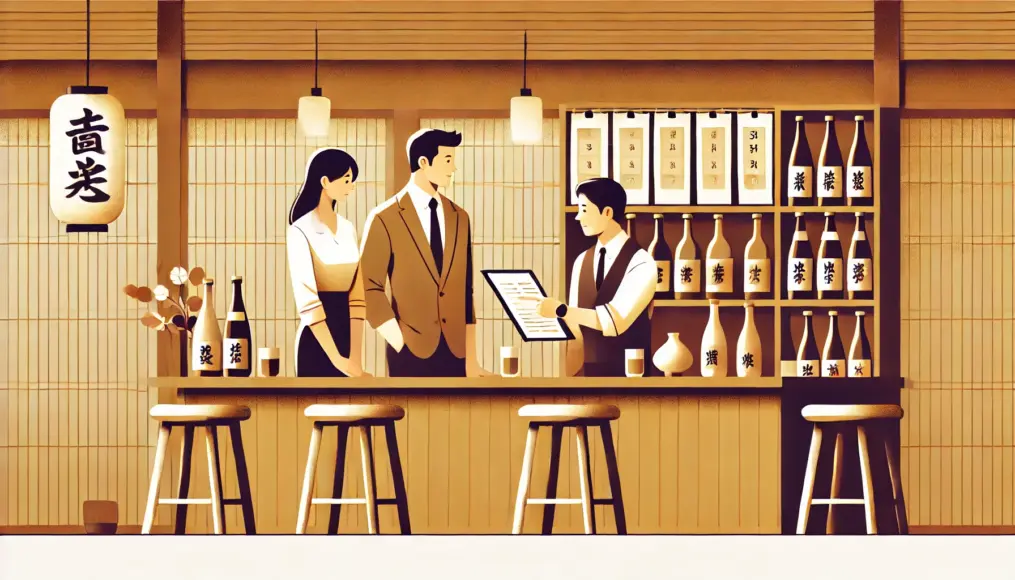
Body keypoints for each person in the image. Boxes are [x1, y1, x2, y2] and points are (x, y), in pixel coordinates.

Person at [359, 128, 490, 377]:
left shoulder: (460, 217)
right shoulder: (384, 217)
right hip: (409, 351)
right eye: (448, 160)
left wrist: (471, 358)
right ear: (423, 162)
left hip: (456, 352)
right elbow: (367, 286)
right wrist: (398, 339)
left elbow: (466, 290)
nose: (454, 169)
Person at [527, 177, 656, 377]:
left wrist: (560, 310)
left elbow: (615, 321)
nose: (578, 217)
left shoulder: (642, 262)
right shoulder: (581, 260)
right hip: (587, 377)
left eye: (584, 210)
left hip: (632, 379)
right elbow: (575, 330)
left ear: (607, 212)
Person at [286, 147, 370, 378]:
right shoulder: (300, 230)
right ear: (324, 181)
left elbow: (357, 295)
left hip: (347, 336)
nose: (351, 186)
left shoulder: (348, 228)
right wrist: (337, 360)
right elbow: (307, 301)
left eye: (352, 180)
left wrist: (355, 359)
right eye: (346, 180)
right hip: (316, 341)